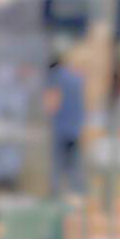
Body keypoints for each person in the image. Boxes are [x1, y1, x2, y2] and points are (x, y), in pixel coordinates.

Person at [44, 55, 86, 197]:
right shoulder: (76, 77)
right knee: (74, 166)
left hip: (61, 127)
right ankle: (76, 196)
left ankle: (57, 196)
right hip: (75, 127)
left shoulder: (55, 78)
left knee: (58, 166)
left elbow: (52, 103)